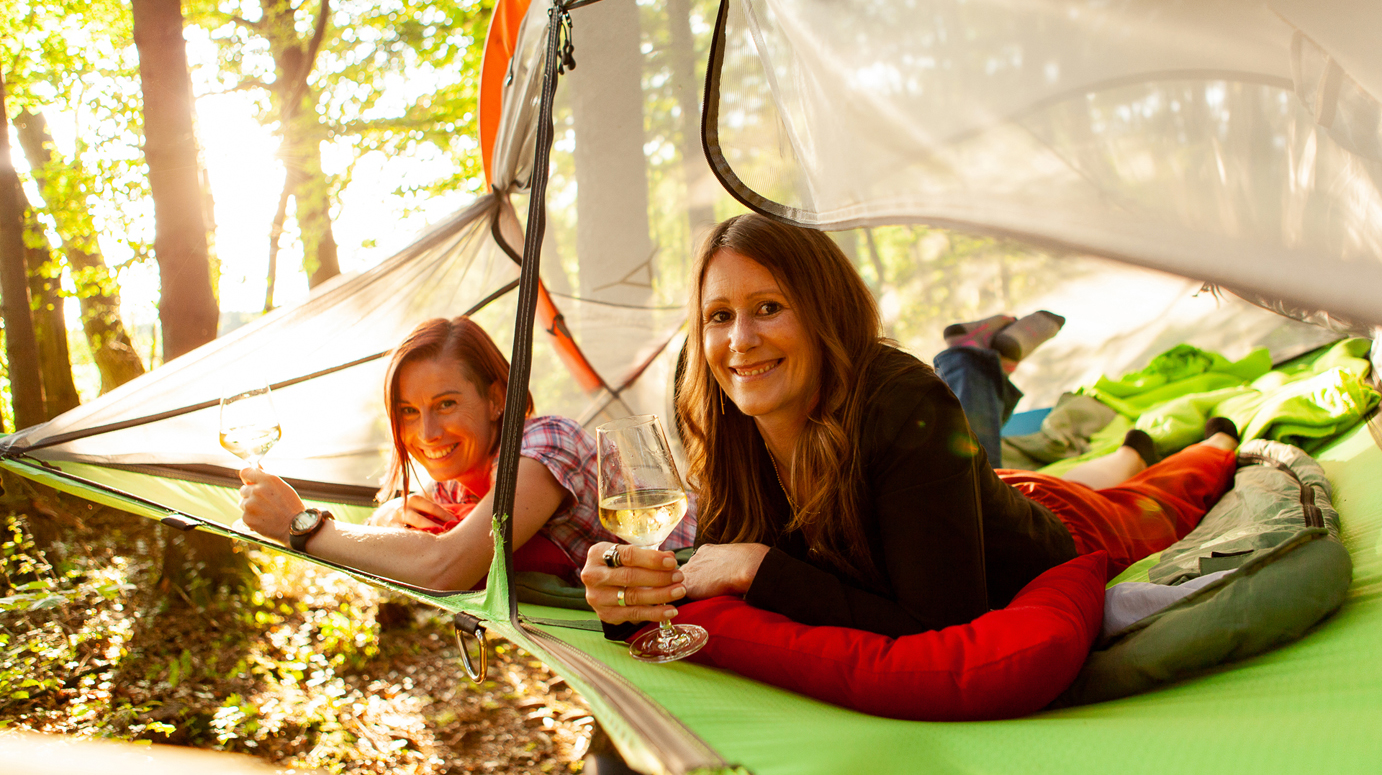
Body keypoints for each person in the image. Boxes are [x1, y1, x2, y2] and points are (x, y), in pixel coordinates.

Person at [580, 215, 1238, 637]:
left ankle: (1178, 436)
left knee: (1160, 476)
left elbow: (945, 623)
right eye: (719, 316)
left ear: (824, 314)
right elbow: (709, 572)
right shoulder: (727, 423)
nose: (741, 339)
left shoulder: (900, 400)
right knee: (1048, 473)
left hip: (1060, 532)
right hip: (981, 497)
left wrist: (760, 567)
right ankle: (983, 363)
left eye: (768, 307)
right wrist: (627, 596)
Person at [238, 316, 695, 591]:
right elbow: (415, 545)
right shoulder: (455, 483)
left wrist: (301, 526)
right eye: (408, 411)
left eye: (446, 404)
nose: (428, 432)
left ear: (497, 399)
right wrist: (386, 517)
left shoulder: (545, 444)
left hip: (701, 582)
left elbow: (446, 566)